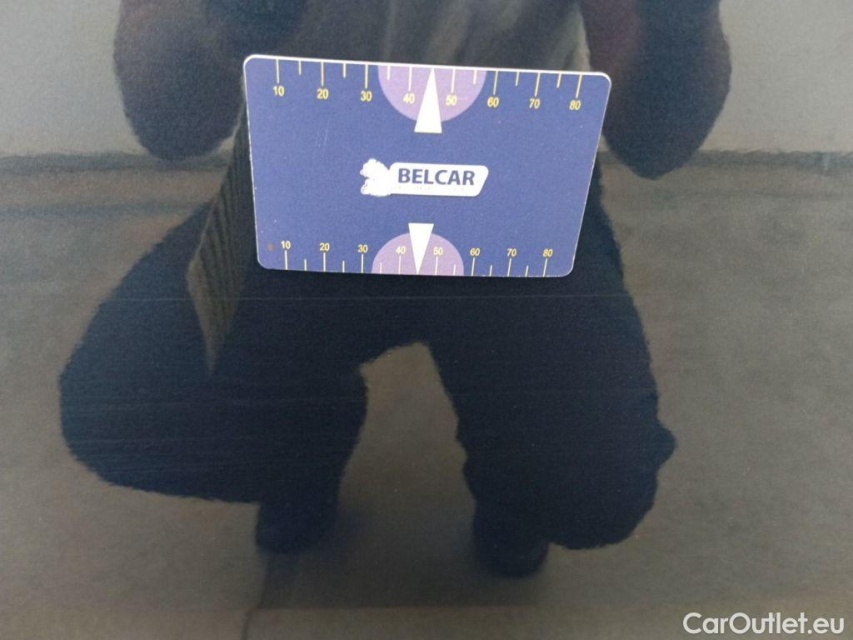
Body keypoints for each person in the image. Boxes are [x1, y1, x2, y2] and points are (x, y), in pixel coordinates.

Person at [61, 0, 730, 577]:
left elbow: (654, 145)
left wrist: (679, 22)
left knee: (589, 485)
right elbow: (169, 127)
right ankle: (305, 444)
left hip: (512, 170)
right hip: (313, 171)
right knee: (120, 411)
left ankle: (517, 486)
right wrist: (221, 20)